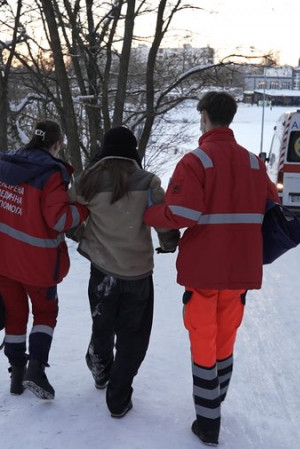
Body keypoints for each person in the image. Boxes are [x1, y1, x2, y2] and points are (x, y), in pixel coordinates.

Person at [144, 92, 279, 446]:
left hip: (204, 270)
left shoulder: (195, 161)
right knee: (225, 337)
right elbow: (273, 205)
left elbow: (182, 213)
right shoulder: (254, 163)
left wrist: (149, 214)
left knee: (203, 340)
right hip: (240, 269)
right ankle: (216, 400)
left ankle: (208, 423)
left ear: (204, 116)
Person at [68, 126, 180, 418]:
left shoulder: (87, 181)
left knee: (102, 324)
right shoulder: (148, 181)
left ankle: (101, 369)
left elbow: (65, 214)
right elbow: (163, 219)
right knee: (133, 337)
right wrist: (169, 243)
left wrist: (80, 234)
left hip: (102, 270)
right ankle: (118, 398)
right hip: (137, 272)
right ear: (133, 151)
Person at [0, 119, 88, 400]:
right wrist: (83, 210)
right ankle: (35, 368)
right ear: (57, 144)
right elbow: (60, 219)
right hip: (36, 261)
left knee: (14, 313)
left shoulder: (3, 166)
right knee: (45, 312)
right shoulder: (51, 173)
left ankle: (16, 373)